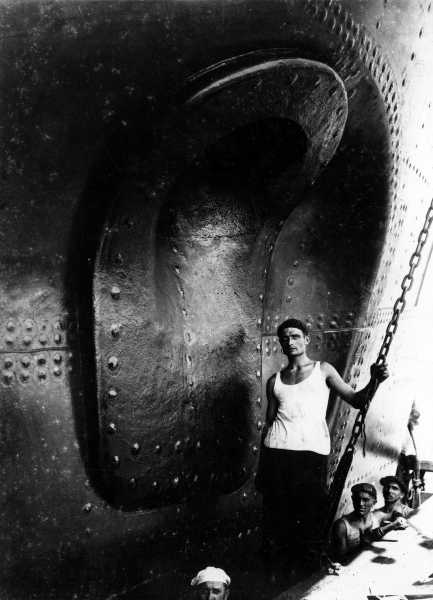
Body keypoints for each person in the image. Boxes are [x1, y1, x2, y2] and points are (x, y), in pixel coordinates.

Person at [260, 317, 389, 570]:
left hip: (309, 456)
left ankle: (306, 567)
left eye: (295, 336)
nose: (290, 341)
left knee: (309, 514)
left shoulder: (323, 370)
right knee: (277, 517)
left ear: (306, 339)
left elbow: (356, 400)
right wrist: (262, 467)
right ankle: (279, 570)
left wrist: (374, 381)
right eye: (285, 338)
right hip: (276, 455)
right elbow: (270, 423)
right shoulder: (275, 380)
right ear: (281, 344)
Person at [331, 483, 407, 564]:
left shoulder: (376, 517)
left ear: (374, 502)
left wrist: (399, 518)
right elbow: (341, 559)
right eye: (357, 499)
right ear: (352, 499)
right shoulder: (342, 526)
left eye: (365, 500)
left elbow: (393, 512)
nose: (361, 504)